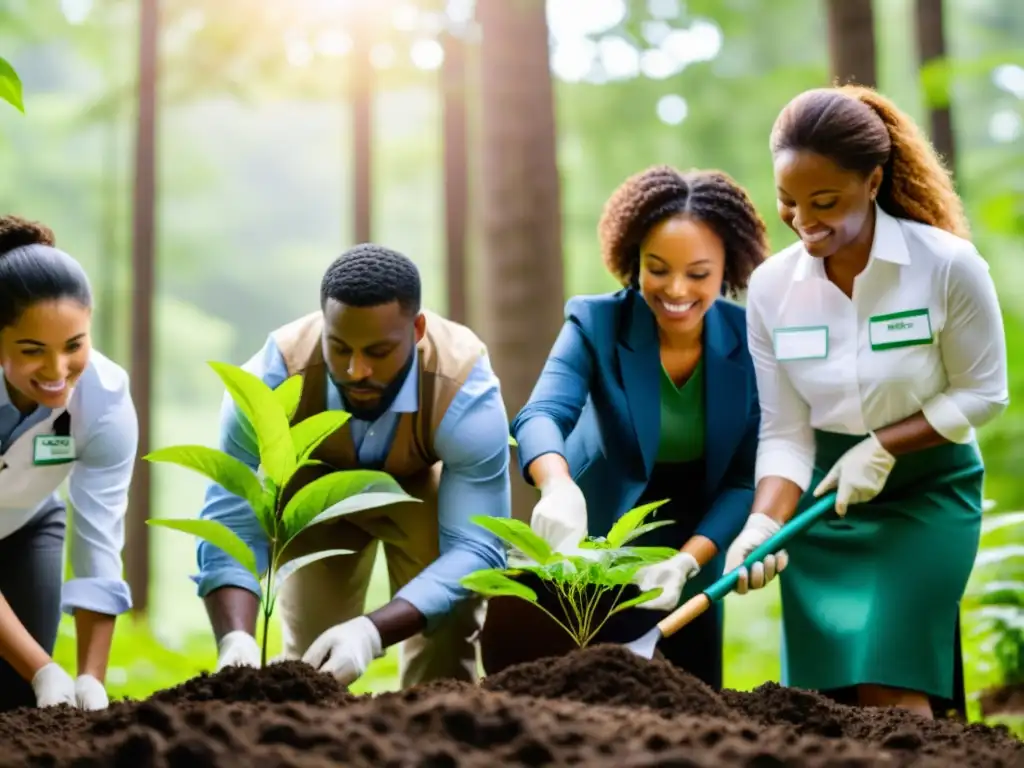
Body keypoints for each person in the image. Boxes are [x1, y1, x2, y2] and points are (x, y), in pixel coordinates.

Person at [724, 85, 1009, 720]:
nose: (804, 221)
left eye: (824, 202)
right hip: (823, 507)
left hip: (926, 496)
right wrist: (763, 525)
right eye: (788, 203)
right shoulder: (772, 289)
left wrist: (884, 446)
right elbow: (786, 432)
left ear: (873, 180)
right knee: (824, 706)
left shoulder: (945, 266)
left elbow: (985, 391)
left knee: (889, 683)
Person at [482, 166, 769, 689]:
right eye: (657, 269)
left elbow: (744, 480)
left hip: (697, 538)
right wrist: (557, 485)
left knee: (692, 695)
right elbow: (542, 413)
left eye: (699, 274)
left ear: (729, 263)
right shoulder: (595, 324)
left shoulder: (752, 341)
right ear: (632, 257)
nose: (676, 289)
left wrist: (688, 562)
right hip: (602, 534)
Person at [195, 243, 511, 688]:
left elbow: (476, 547)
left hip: (419, 495)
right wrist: (236, 639)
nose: (356, 370)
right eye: (339, 348)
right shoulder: (270, 381)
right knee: (311, 657)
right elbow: (230, 520)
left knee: (449, 635)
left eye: (379, 351)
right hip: (314, 495)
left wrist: (371, 632)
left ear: (417, 329)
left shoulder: (462, 385)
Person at [0, 215, 137, 712]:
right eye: (32, 350)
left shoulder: (105, 400)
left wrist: (89, 679)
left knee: (16, 698)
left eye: (74, 345)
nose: (58, 373)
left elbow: (99, 538)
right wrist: (43, 668)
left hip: (27, 523)